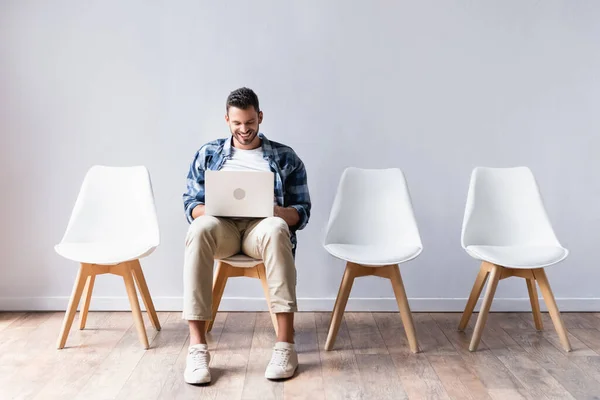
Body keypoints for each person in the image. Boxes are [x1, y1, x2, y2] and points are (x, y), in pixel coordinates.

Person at [181, 87, 311, 384]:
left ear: (260, 117)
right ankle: (197, 349)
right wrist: (214, 207)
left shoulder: (285, 157)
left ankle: (285, 346)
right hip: (222, 229)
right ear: (227, 120)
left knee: (278, 228)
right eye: (237, 123)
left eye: (250, 122)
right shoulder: (208, 153)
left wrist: (276, 211)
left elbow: (302, 212)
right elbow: (190, 205)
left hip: (261, 230)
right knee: (198, 228)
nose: (244, 129)